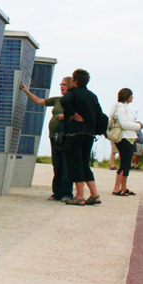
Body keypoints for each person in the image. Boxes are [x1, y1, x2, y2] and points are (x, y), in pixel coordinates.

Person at [20, 77, 74, 202]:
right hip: (54, 136)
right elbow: (39, 101)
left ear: (70, 86)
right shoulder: (57, 100)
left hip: (66, 137)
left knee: (66, 164)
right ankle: (57, 192)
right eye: (61, 84)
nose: (62, 86)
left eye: (64, 84)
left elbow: (79, 115)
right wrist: (26, 91)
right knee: (57, 164)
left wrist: (65, 116)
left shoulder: (74, 100)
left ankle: (66, 193)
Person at [60, 69, 101, 206]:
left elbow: (64, 101)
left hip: (75, 134)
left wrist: (73, 114)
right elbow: (100, 114)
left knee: (75, 164)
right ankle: (94, 194)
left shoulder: (72, 93)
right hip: (89, 134)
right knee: (84, 164)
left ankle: (80, 196)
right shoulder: (92, 96)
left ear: (75, 80)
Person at [109, 88, 143, 196]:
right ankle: (116, 188)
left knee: (127, 164)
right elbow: (123, 124)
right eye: (131, 95)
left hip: (130, 137)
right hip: (124, 138)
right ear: (126, 96)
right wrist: (138, 126)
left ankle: (123, 187)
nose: (132, 97)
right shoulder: (121, 108)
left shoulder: (125, 108)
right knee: (124, 163)